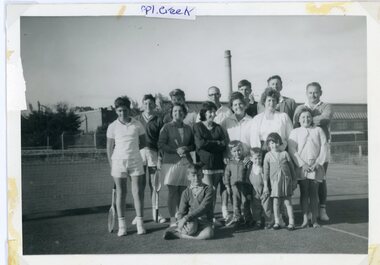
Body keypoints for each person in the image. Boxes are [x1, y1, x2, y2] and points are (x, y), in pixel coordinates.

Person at [106, 96, 146, 236]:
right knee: (121, 194)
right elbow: (109, 148)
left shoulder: (138, 124)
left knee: (138, 193)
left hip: (135, 161)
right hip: (118, 163)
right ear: (116, 111)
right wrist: (113, 165)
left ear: (129, 109)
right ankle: (122, 226)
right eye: (120, 110)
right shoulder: (112, 126)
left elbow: (143, 143)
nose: (123, 113)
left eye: (125, 110)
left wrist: (133, 152)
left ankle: (140, 224)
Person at [293, 82, 333, 221]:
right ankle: (307, 212)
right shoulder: (300, 107)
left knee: (320, 181)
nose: (313, 95)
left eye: (316, 92)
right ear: (306, 93)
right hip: (304, 152)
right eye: (310, 92)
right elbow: (296, 122)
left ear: (320, 92)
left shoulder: (326, 106)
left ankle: (322, 209)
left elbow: (326, 118)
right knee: (304, 184)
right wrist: (306, 119)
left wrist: (307, 119)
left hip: (321, 150)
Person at [288, 107, 328, 228]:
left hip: (316, 166)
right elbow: (292, 149)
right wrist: (302, 164)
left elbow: (324, 147)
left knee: (314, 193)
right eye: (303, 117)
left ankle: (314, 220)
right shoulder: (295, 132)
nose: (306, 119)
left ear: (312, 118)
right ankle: (305, 219)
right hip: (302, 167)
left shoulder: (318, 130)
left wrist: (318, 163)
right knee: (304, 193)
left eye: (308, 117)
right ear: (298, 119)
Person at [158, 103, 195, 227]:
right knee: (173, 191)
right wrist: (175, 150)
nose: (177, 113)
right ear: (171, 113)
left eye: (180, 111)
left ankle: (181, 216)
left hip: (185, 163)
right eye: (175, 111)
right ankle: (173, 218)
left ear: (184, 113)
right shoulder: (166, 127)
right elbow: (161, 144)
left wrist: (186, 148)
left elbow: (193, 145)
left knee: (183, 191)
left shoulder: (188, 128)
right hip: (170, 163)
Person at [220, 92, 253, 221]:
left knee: (247, 189)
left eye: (240, 104)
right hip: (232, 161)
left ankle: (249, 215)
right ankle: (236, 216)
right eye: (235, 104)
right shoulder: (226, 122)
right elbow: (223, 140)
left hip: (247, 160)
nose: (238, 106)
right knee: (234, 189)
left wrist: (250, 156)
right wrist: (225, 155)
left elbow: (254, 140)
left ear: (245, 105)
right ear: (232, 107)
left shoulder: (251, 120)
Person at [193, 101, 227, 225]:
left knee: (214, 191)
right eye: (210, 111)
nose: (212, 114)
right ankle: (205, 218)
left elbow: (223, 145)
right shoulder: (197, 126)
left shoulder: (218, 127)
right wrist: (215, 143)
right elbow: (200, 144)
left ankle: (210, 217)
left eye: (214, 111)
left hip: (218, 164)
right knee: (208, 192)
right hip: (205, 163)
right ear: (204, 113)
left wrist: (210, 143)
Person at [134, 94, 165, 224]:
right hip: (138, 155)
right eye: (145, 103)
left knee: (154, 185)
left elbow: (162, 141)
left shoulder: (159, 120)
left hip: (153, 154)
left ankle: (156, 213)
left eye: (150, 103)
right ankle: (138, 215)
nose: (148, 106)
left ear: (154, 105)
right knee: (139, 186)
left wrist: (160, 157)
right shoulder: (135, 120)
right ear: (142, 105)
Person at [163, 163, 214, 240]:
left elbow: (204, 207)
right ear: (188, 177)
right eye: (193, 176)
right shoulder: (186, 192)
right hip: (191, 221)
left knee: (209, 234)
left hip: (204, 221)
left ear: (202, 175)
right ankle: (181, 230)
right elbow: (181, 211)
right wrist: (180, 222)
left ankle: (180, 235)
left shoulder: (208, 189)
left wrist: (185, 218)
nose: (196, 178)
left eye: (198, 175)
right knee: (191, 229)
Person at [263, 133, 297, 230]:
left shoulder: (285, 154)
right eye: (272, 143)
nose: (275, 145)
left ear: (280, 143)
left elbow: (291, 168)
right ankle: (277, 222)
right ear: (268, 144)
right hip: (275, 183)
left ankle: (291, 222)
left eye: (277, 142)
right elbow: (265, 172)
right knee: (276, 202)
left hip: (286, 181)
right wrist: (266, 186)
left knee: (288, 202)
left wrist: (294, 180)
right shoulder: (267, 156)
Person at [250, 87, 293, 153]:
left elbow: (291, 137)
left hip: (280, 151)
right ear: (264, 102)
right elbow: (254, 140)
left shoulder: (284, 116)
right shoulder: (257, 119)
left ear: (277, 102)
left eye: (274, 100)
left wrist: (281, 149)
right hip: (262, 153)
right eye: (269, 100)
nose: (272, 103)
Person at [223, 141, 253, 227]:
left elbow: (250, 172)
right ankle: (237, 218)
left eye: (239, 150)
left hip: (244, 187)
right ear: (231, 152)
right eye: (234, 151)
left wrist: (249, 161)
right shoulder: (230, 163)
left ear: (242, 150)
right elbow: (226, 175)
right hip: (234, 187)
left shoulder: (245, 161)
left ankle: (248, 219)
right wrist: (227, 186)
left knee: (245, 203)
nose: (237, 153)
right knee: (235, 203)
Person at [248, 147, 273, 229]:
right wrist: (248, 193)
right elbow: (248, 181)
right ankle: (258, 221)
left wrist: (267, 189)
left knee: (266, 206)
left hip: (264, 190)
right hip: (254, 191)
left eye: (259, 158)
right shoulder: (250, 169)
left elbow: (267, 180)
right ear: (251, 159)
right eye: (255, 158)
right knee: (256, 207)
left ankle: (268, 221)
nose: (258, 160)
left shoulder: (263, 168)